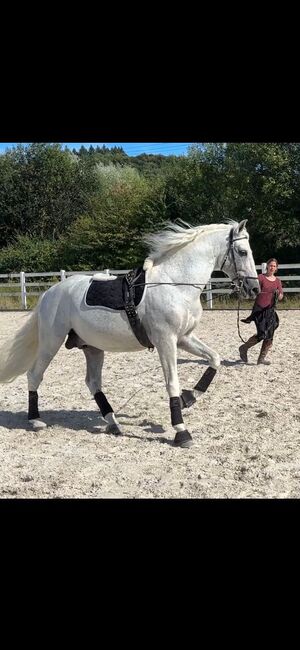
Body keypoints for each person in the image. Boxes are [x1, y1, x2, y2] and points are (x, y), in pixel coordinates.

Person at [239, 258, 283, 365]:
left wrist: (278, 294)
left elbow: (281, 296)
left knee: (270, 334)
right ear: (267, 266)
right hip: (259, 309)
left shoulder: (277, 281)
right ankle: (244, 348)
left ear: (276, 268)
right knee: (262, 333)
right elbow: (253, 288)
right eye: (270, 265)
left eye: (274, 266)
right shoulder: (261, 278)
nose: (272, 267)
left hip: (270, 311)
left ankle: (261, 358)